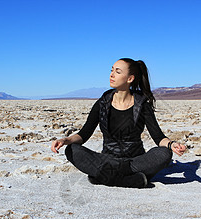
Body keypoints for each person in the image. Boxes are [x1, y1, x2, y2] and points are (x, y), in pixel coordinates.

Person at [51, 58, 186, 188]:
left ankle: (103, 176)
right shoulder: (103, 103)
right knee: (72, 149)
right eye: (112, 70)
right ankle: (133, 180)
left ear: (130, 79)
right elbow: (84, 134)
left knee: (164, 154)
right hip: (107, 159)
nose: (112, 75)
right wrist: (65, 140)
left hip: (134, 161)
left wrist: (171, 144)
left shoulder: (142, 104)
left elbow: (158, 137)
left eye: (118, 72)